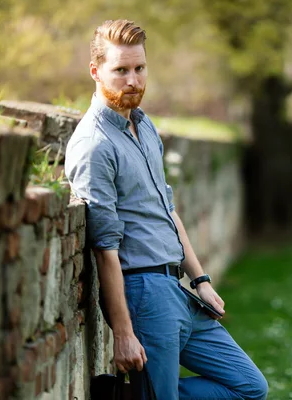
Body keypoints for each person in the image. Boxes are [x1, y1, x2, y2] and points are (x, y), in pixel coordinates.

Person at [65, 19, 268, 400]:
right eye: (120, 70)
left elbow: (168, 210)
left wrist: (201, 279)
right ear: (95, 71)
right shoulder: (93, 145)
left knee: (249, 387)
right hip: (144, 294)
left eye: (139, 68)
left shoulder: (144, 126)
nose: (133, 80)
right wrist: (124, 334)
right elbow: (105, 248)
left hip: (178, 289)